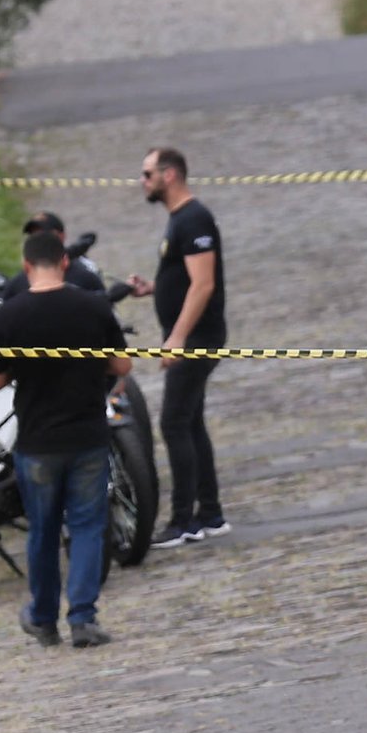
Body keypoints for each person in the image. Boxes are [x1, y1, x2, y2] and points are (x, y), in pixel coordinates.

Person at [0, 227, 133, 647]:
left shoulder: (8, 315)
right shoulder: (93, 306)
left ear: (26, 266)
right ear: (65, 262)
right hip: (87, 434)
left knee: (43, 532)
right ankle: (83, 617)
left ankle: (44, 618)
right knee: (87, 526)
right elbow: (122, 366)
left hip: (36, 441)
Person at [128, 146, 228, 542]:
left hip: (197, 340)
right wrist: (154, 289)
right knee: (190, 422)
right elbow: (185, 278)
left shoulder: (194, 219)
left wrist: (177, 339)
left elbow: (204, 284)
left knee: (173, 423)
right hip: (192, 338)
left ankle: (184, 521)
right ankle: (211, 513)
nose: (143, 182)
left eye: (147, 174)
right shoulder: (180, 221)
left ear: (170, 175)